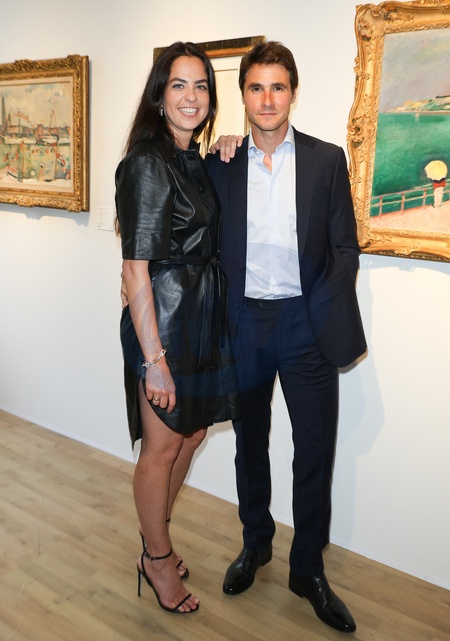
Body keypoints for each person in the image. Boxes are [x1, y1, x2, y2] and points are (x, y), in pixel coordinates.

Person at [206, 41, 366, 633]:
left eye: (278, 87)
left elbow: (345, 246)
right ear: (243, 95)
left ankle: (308, 569)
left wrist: (322, 305)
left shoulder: (326, 160)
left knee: (315, 449)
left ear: (293, 93)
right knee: (250, 443)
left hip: (305, 326)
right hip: (245, 323)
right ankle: (256, 543)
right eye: (256, 87)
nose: (267, 99)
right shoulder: (221, 163)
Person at [115, 41, 239, 614]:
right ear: (159, 95)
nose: (192, 96)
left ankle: (154, 537)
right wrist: (154, 359)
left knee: (190, 435)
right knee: (162, 448)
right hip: (164, 321)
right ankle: (158, 559)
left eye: (201, 86)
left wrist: (228, 145)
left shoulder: (190, 156)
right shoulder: (147, 161)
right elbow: (134, 268)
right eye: (179, 85)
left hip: (201, 317)